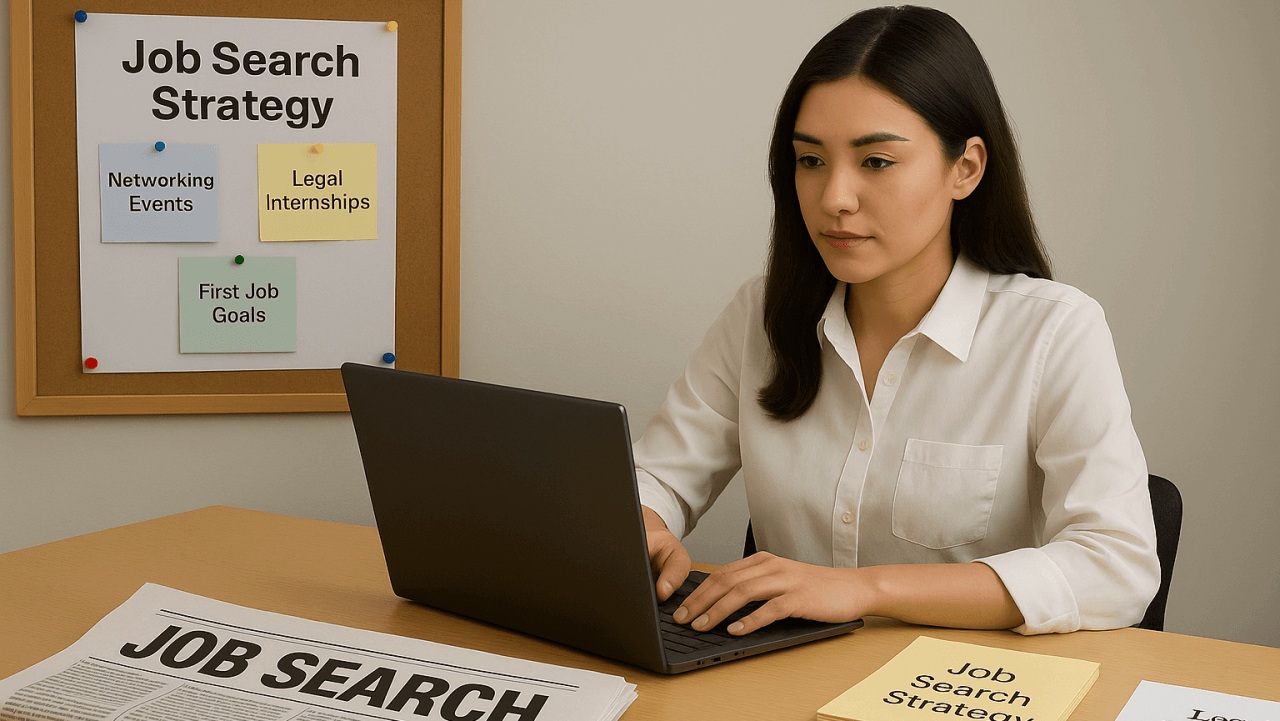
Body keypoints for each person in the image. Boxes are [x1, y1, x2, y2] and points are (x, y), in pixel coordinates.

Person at [634, 5, 1159, 636]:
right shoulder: (760, 315)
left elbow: (1117, 568)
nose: (834, 198)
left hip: (965, 690)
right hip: (785, 682)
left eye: (876, 162)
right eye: (811, 160)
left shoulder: (1054, 332)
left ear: (965, 168)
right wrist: (644, 523)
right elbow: (654, 477)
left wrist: (863, 590)